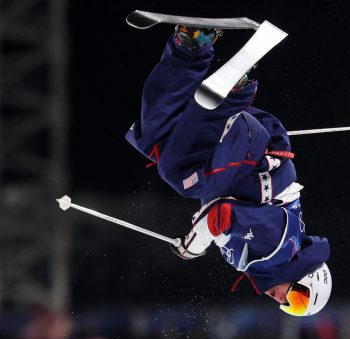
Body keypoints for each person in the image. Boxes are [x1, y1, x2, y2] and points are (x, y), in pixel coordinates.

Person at [125, 25, 332, 316]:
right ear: (306, 275)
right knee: (183, 178)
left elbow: (222, 214)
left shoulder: (257, 261)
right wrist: (194, 246)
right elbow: (219, 215)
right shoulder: (278, 249)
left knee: (154, 139)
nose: (282, 300)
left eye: (292, 309)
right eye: (298, 297)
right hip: (250, 151)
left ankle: (191, 46)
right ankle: (234, 93)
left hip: (233, 157)